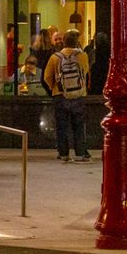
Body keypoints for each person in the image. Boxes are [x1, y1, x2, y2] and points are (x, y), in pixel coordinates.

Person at [43, 29, 91, 162]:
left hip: (60, 94)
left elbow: (47, 77)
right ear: (77, 42)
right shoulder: (83, 56)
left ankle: (63, 153)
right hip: (79, 94)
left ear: (64, 42)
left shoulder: (55, 58)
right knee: (79, 125)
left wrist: (54, 87)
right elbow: (86, 71)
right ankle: (80, 153)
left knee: (61, 125)